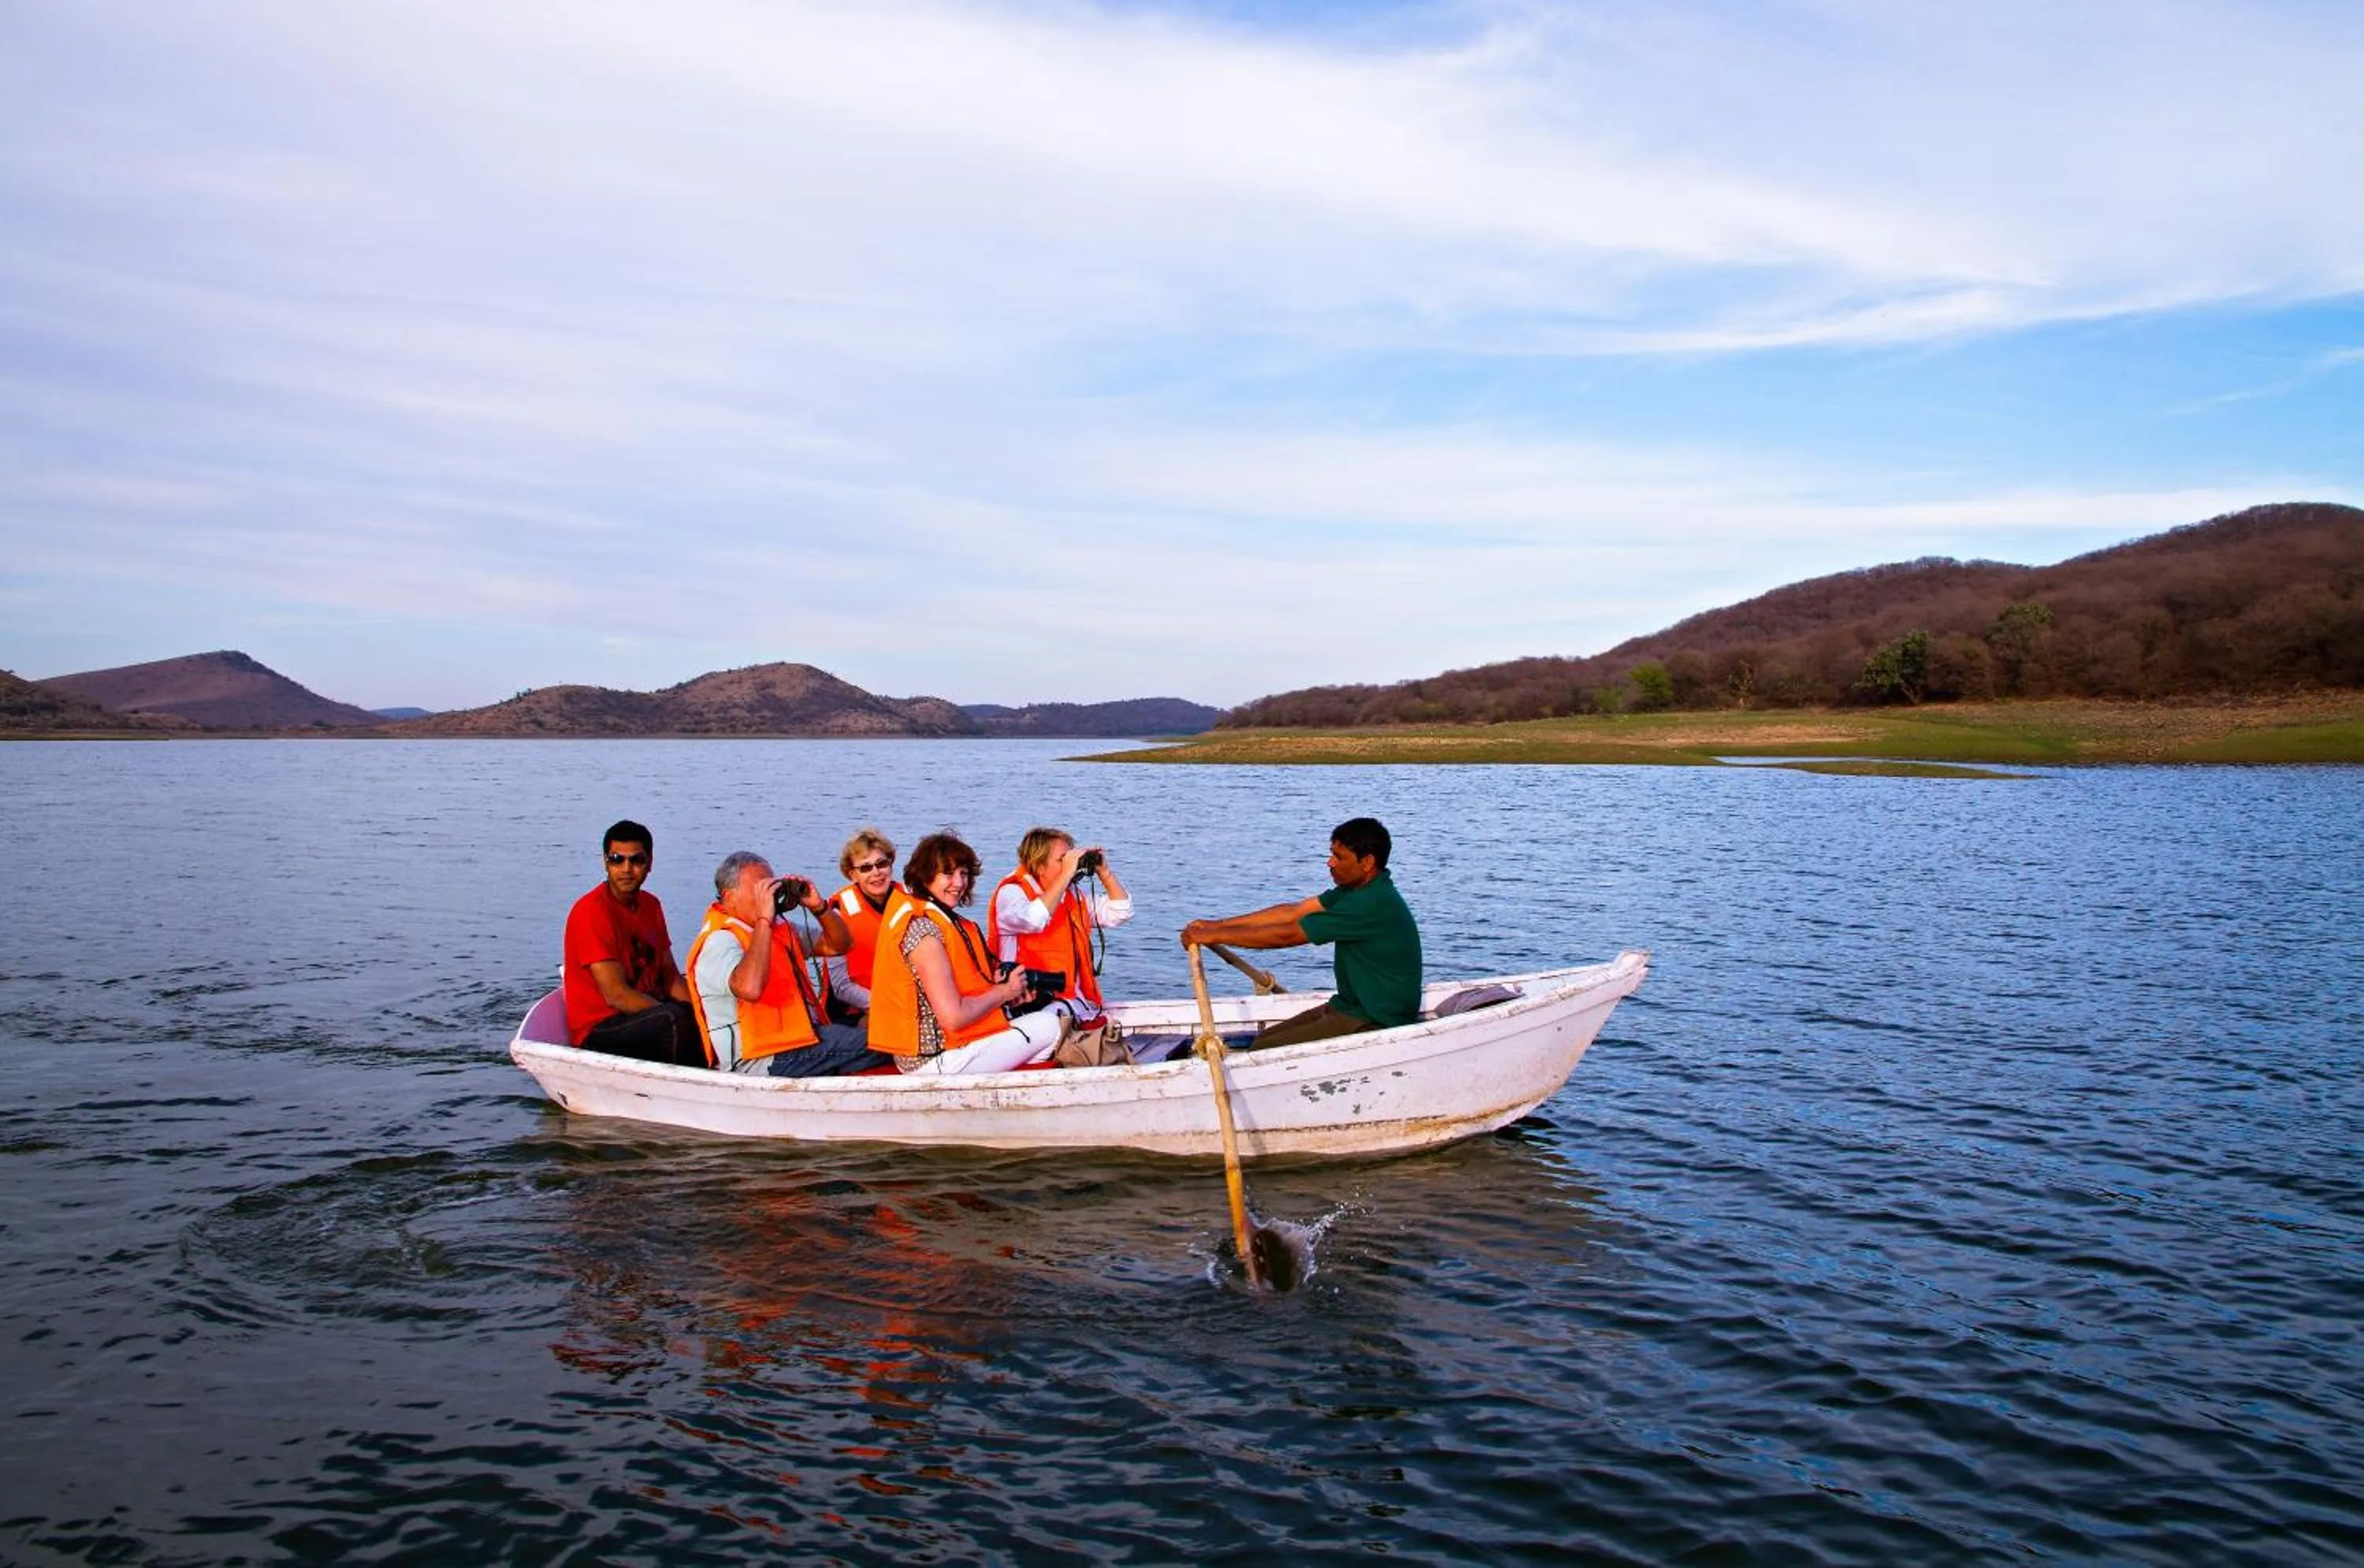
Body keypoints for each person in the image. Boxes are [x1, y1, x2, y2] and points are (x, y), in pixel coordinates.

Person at [1179, 816, 1422, 1050]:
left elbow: (1288, 935)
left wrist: (1214, 937)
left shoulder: (1371, 903)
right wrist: (1217, 926)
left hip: (1376, 1019)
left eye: (1338, 857)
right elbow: (1293, 913)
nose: (1330, 863)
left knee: (1264, 1049)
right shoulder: (1354, 891)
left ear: (1367, 863)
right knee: (1264, 1039)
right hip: (1348, 1007)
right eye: (1331, 854)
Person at [869, 831, 1069, 1075]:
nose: (959, 883)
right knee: (1050, 1026)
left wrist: (1004, 994)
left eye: (963, 873)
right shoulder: (924, 932)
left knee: (1041, 1015)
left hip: (950, 1047)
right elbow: (954, 1018)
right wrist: (1004, 991)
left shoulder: (943, 921)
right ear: (925, 876)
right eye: (948, 873)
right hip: (932, 1061)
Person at [686, 851, 895, 1078]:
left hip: (799, 1040)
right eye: (759, 891)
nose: (769, 898)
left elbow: (839, 945)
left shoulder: (779, 929)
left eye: (772, 889)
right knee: (887, 1042)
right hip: (760, 1059)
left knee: (885, 1030)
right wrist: (764, 920)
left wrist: (819, 908)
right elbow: (749, 988)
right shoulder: (720, 941)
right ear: (729, 896)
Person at [985, 827, 1133, 1063]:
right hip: (1025, 1006)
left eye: (1071, 858)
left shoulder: (1071, 896)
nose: (1070, 866)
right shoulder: (1012, 893)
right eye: (1062, 860)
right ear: (1039, 864)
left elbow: (1120, 911)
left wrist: (1105, 872)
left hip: (1070, 1003)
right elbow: (1034, 919)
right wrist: (1066, 875)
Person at [562, 819, 700, 1065]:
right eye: (617, 859)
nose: (626, 869)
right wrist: (672, 1012)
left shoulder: (651, 905)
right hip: (600, 1028)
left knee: (699, 1013)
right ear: (605, 862)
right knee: (675, 1020)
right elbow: (617, 996)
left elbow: (669, 977)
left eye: (636, 860)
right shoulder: (591, 912)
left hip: (647, 1014)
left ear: (650, 864)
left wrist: (702, 1013)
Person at [821, 827, 901, 1027]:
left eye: (881, 864)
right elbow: (841, 987)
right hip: (852, 1011)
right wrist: (886, 1006)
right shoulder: (838, 913)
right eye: (865, 868)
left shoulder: (910, 903)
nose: (876, 873)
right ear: (853, 875)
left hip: (902, 1003)